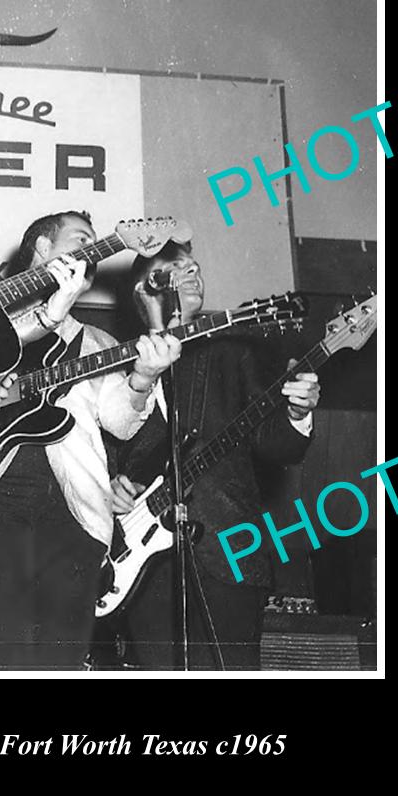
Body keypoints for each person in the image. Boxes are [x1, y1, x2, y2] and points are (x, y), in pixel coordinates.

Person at [0, 211, 182, 670]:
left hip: (74, 507)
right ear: (42, 249)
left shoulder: (94, 340)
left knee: (61, 654)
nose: (92, 250)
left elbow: (118, 422)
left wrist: (143, 376)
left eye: (96, 243)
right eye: (80, 239)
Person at [111, 241, 321, 670]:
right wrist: (110, 482)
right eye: (177, 267)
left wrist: (299, 411)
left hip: (226, 551)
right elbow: (102, 449)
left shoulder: (233, 350)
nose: (194, 272)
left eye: (196, 267)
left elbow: (277, 445)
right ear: (145, 286)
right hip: (140, 561)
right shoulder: (114, 361)